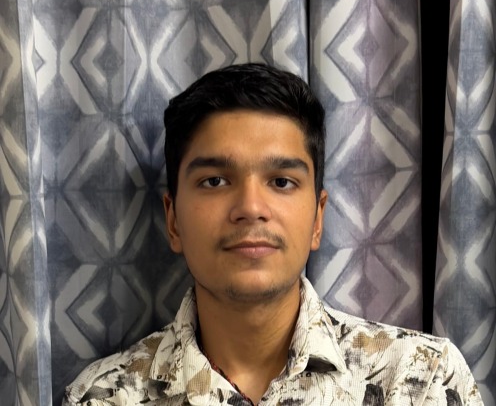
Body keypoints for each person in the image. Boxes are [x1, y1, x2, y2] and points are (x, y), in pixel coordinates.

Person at [63, 63, 483, 405]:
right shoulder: (103, 397)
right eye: (214, 181)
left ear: (317, 219)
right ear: (173, 221)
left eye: (281, 182)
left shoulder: (420, 379)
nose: (250, 207)